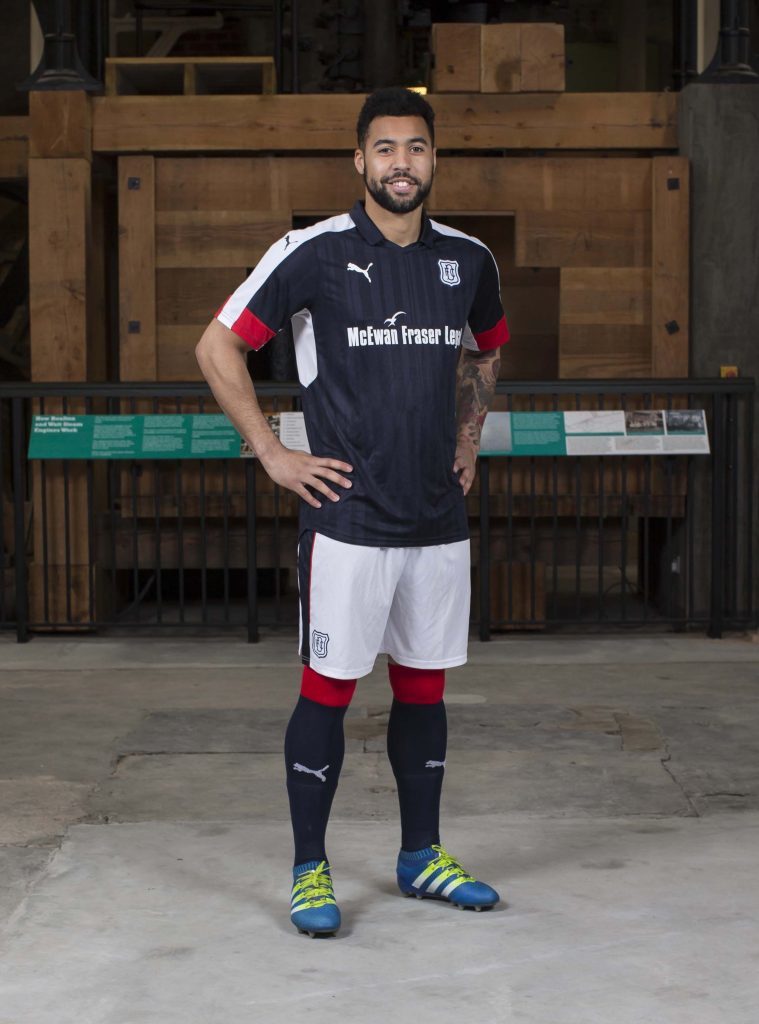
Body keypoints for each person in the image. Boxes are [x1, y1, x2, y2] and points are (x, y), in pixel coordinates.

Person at [196, 87, 509, 938]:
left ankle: (421, 857)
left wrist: (469, 438)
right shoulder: (312, 252)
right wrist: (272, 452)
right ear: (358, 160)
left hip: (436, 519)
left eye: (415, 147)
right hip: (347, 517)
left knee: (423, 687)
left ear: (434, 159)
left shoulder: (468, 260)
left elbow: (484, 349)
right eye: (383, 149)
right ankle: (309, 869)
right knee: (327, 691)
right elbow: (217, 344)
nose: (399, 163)